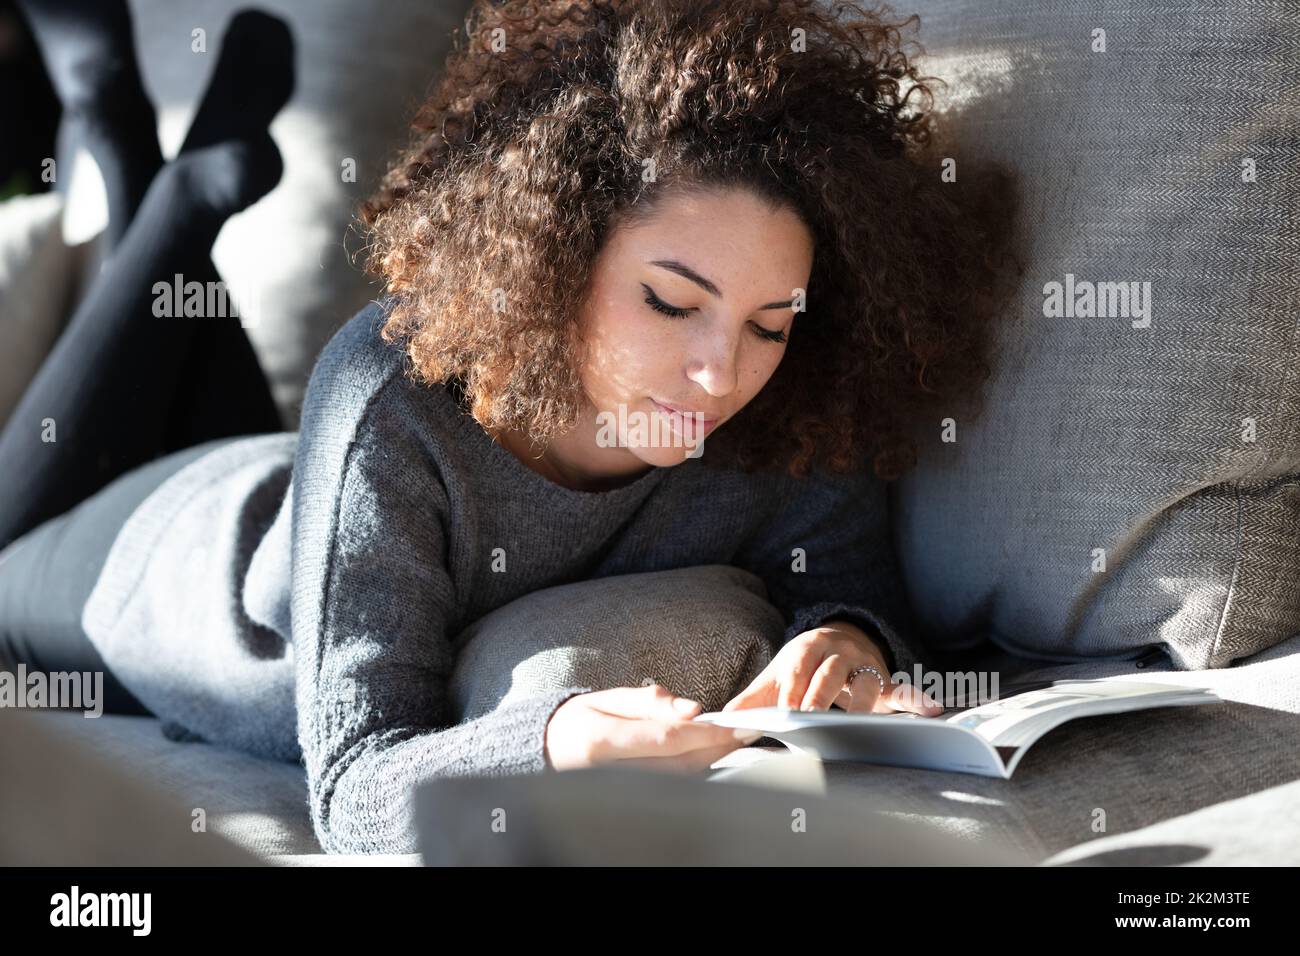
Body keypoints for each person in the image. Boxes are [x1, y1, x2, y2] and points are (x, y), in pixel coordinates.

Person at [0, 0, 1020, 855]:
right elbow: (354, 787)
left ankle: (133, 145)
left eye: (768, 321)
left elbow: (857, 597)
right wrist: (557, 738)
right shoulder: (390, 397)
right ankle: (154, 168)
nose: (723, 371)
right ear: (558, 260)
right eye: (670, 301)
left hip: (305, 488)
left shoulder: (789, 404)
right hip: (174, 555)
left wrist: (847, 639)